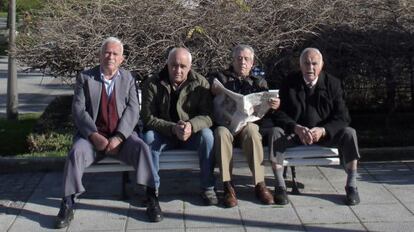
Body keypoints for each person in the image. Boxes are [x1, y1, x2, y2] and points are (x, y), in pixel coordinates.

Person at [55, 37, 163, 229]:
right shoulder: (85, 78)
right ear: (100, 55)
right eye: (107, 52)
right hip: (91, 138)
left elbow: (133, 110)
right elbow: (78, 111)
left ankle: (151, 198)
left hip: (121, 138)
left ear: (122, 58)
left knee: (142, 148)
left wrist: (119, 136)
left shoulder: (129, 78)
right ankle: (67, 203)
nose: (110, 56)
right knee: (75, 153)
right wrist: (93, 135)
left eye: (115, 53)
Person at [270, 47, 361, 206]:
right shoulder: (289, 82)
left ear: (321, 65)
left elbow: (343, 117)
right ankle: (280, 186)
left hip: (325, 135)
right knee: (275, 133)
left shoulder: (333, 84)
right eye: (306, 63)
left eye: (314, 63)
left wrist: (323, 130)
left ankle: (352, 185)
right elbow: (279, 114)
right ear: (300, 65)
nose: (310, 68)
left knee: (349, 133)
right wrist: (296, 127)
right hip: (296, 134)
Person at [140, 47, 217, 205]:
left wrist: (191, 125)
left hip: (190, 135)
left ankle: (208, 187)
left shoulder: (200, 83)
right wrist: (172, 128)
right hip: (163, 135)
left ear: (190, 67)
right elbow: (147, 117)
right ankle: (152, 189)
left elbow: (208, 116)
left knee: (208, 136)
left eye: (183, 66)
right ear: (167, 64)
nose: (178, 70)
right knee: (148, 138)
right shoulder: (152, 83)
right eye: (173, 65)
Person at [209, 45, 279, 208]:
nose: (242, 62)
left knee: (253, 131)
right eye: (239, 59)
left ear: (252, 63)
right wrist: (211, 90)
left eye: (246, 59)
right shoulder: (220, 78)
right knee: (220, 132)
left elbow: (265, 115)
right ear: (233, 61)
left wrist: (274, 106)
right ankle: (228, 186)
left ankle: (260, 184)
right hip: (225, 126)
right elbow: (208, 99)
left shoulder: (259, 82)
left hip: (247, 127)